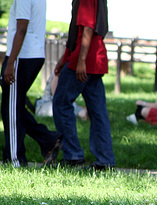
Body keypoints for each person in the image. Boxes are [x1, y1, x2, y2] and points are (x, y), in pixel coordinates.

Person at [52, 0, 115, 170]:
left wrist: (80, 61)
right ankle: (105, 160)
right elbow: (77, 31)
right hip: (95, 58)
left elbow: (87, 28)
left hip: (83, 60)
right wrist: (63, 59)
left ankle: (73, 155)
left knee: (60, 103)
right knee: (98, 112)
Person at [1, 0, 63, 167]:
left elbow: (21, 29)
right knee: (13, 106)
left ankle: (14, 159)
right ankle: (49, 140)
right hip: (32, 55)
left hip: (22, 57)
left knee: (11, 109)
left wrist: (10, 62)